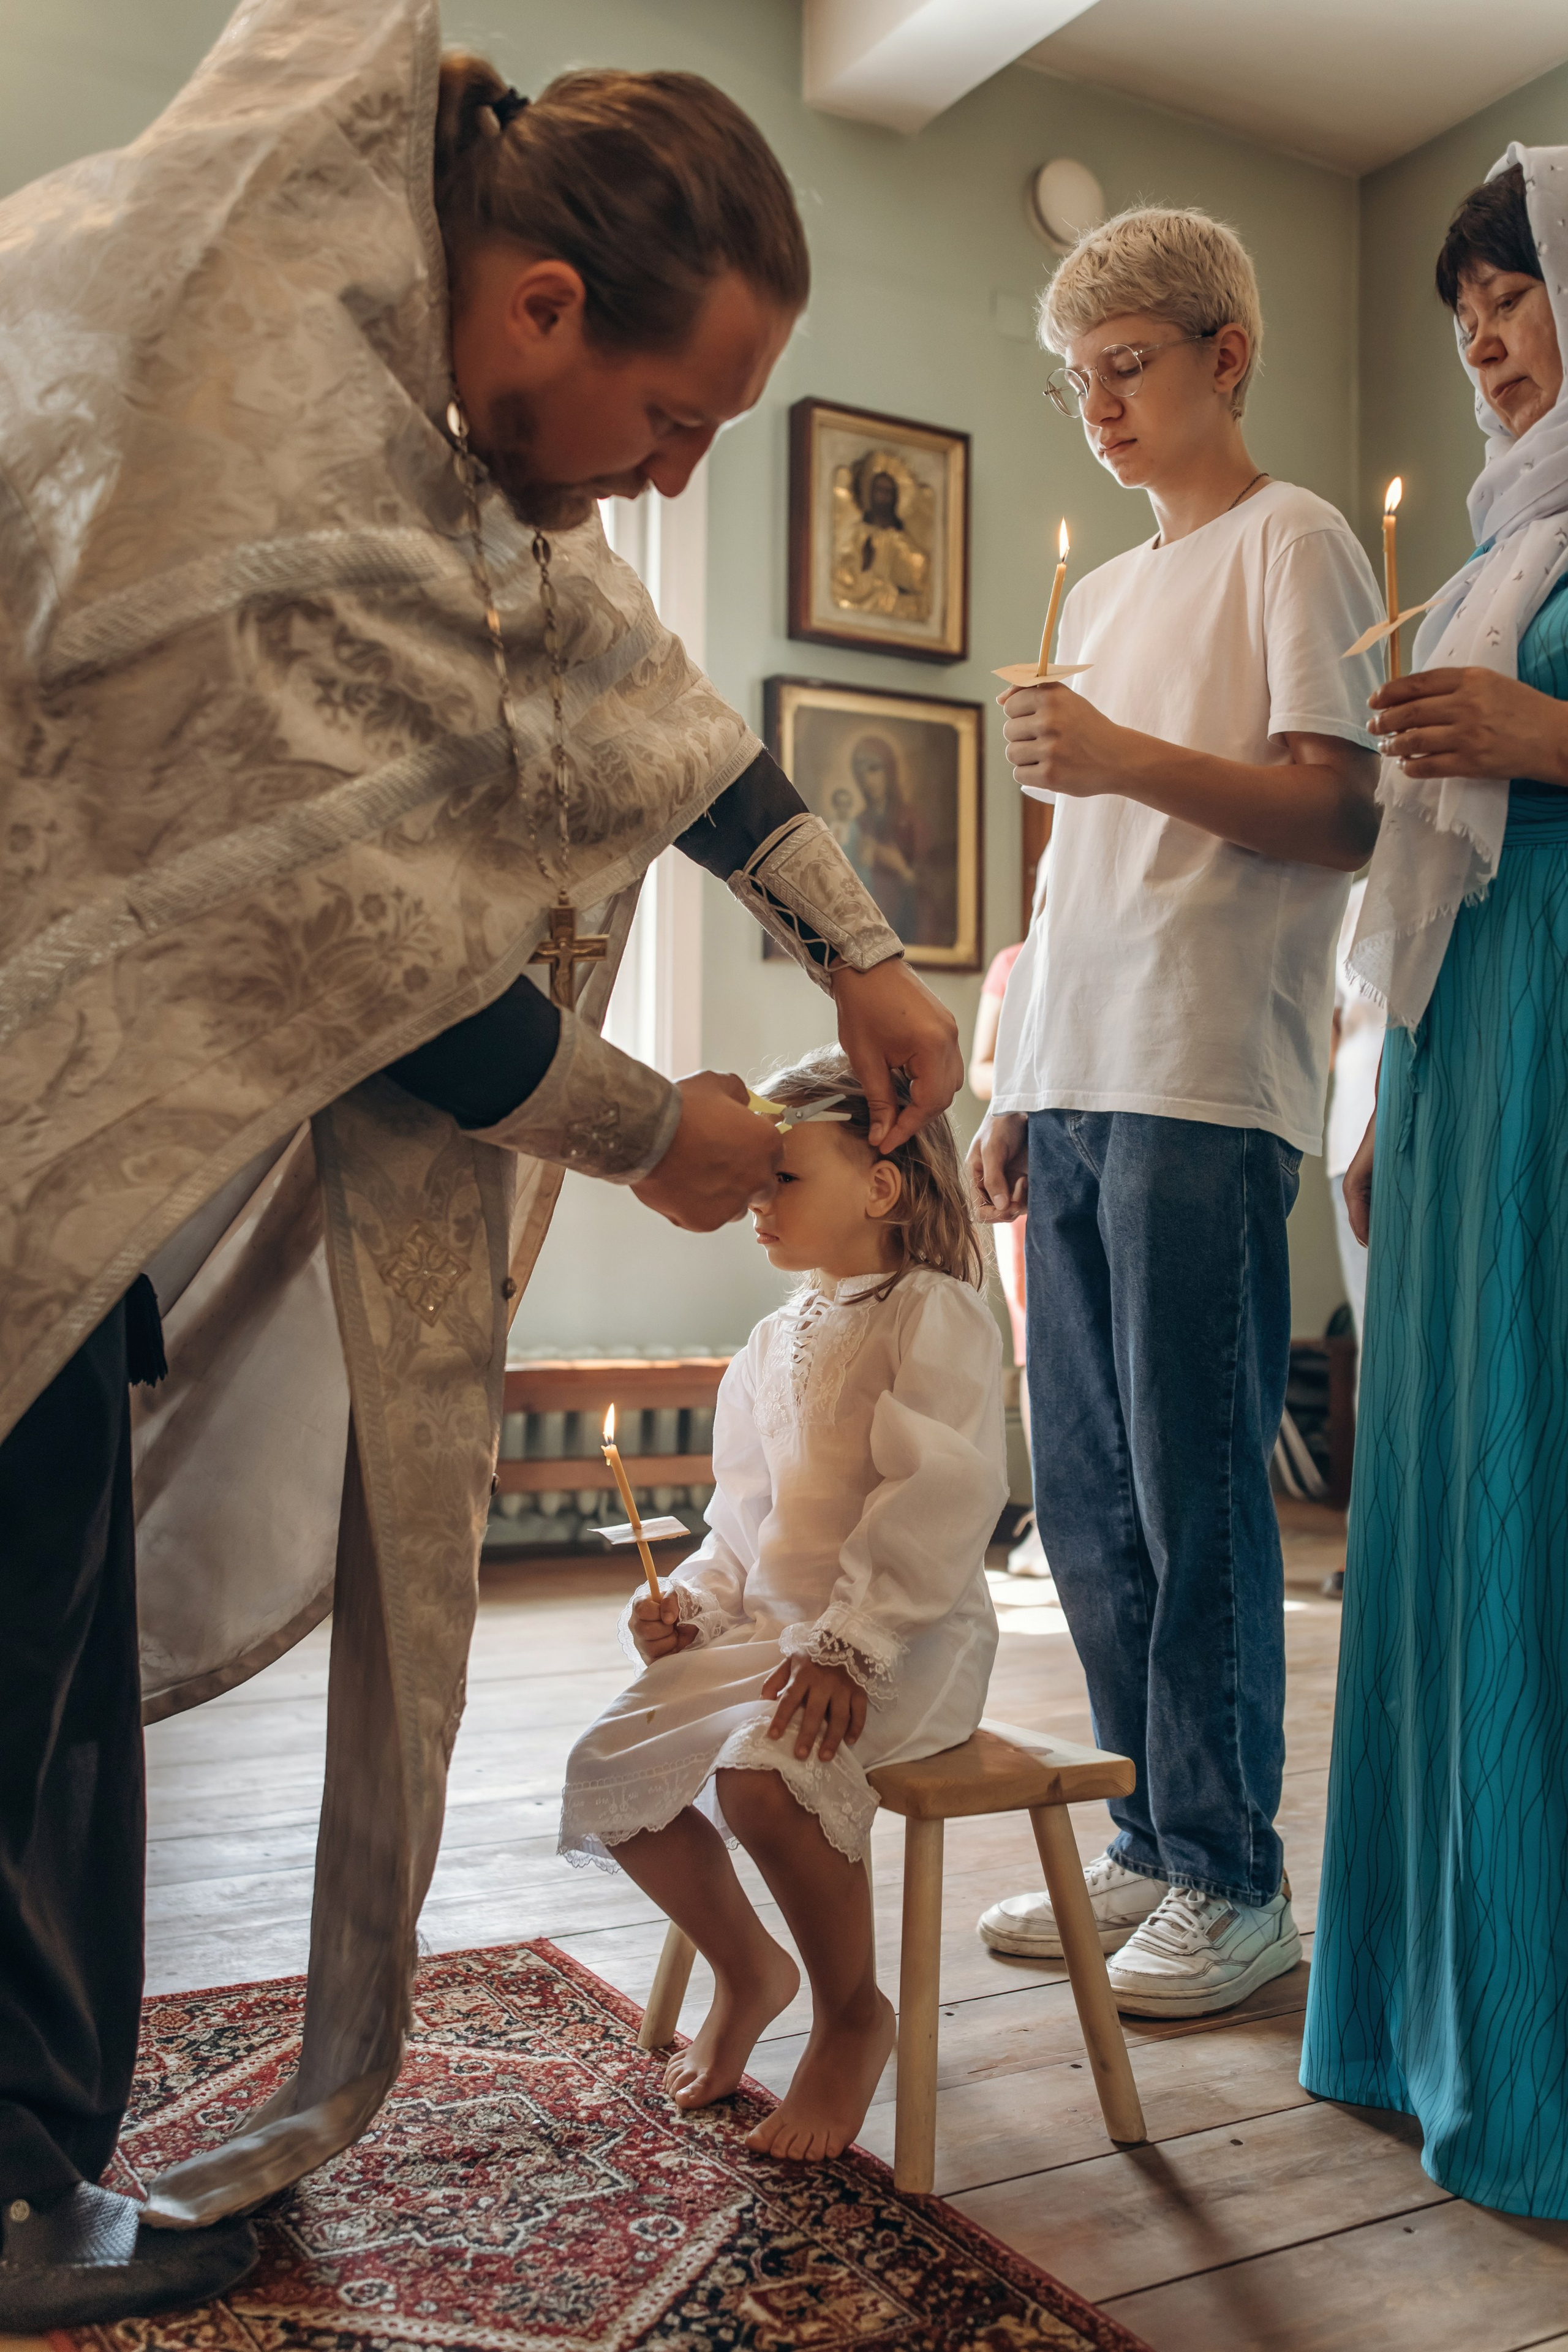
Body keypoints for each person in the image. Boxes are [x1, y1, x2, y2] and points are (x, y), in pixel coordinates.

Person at [0, 3, 964, 2325]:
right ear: (543, 310)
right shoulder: (275, 463)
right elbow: (371, 958)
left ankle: (37, 2151)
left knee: (39, 1670)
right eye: (672, 425)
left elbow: (635, 695)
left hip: (57, 1165)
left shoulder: (425, 425)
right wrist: (667, 1136)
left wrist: (853, 942)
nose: (655, 480)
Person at [968, 206, 1383, 2015]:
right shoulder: (1112, 591)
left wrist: (1117, 755)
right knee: (1080, 1493)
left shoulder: (1293, 545)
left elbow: (1337, 810)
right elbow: (1075, 885)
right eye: (1075, 383)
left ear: (1225, 351)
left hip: (1206, 1071)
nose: (1100, 409)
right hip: (1077, 1072)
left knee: (1193, 1481)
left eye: (1124, 366)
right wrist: (1011, 1084)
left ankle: (1234, 1874)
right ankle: (1146, 1836)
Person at [1301, 146, 1568, 2220]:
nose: (1486, 342)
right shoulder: (1503, 537)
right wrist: (1383, 1087)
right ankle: (1415, 2012)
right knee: (1446, 1475)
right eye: (1469, 313)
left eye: (1518, 298)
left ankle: (1534, 2051)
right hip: (1469, 1039)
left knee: (1536, 1482)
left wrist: (1541, 741)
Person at [560, 1049, 1007, 2163]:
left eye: (783, 1179)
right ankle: (749, 1968)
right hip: (775, 1640)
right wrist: (696, 1612)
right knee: (610, 1763)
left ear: (882, 1187)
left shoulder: (935, 1317)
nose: (757, 1204)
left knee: (762, 1780)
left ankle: (852, 2012)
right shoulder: (771, 1342)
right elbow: (741, 1524)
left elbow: (937, 1499)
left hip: (902, 1642)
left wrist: (850, 1647)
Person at [970, 935, 1048, 1575]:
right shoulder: (1011, 962)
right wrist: (1039, 1078)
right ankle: (1051, 1518)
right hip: (1030, 1164)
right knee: (1039, 1348)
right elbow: (980, 1068)